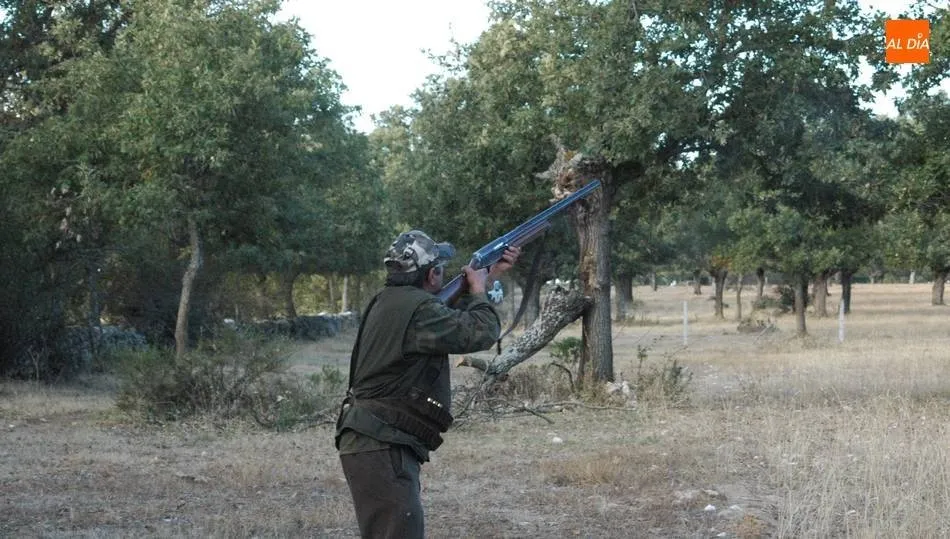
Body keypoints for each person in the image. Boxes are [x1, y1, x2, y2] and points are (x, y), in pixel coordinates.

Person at [335, 229, 520, 539]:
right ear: (433, 274)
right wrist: (477, 290)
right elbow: (481, 332)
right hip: (381, 443)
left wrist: (486, 278)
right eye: (441, 268)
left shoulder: (391, 301)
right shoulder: (420, 310)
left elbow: (448, 322)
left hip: (375, 441)